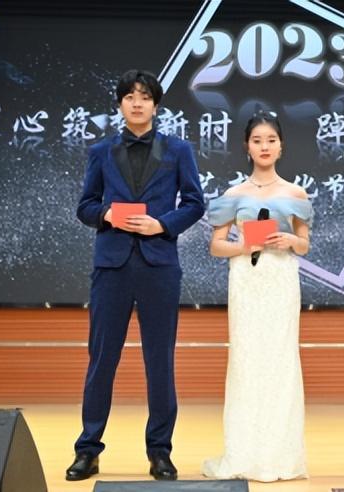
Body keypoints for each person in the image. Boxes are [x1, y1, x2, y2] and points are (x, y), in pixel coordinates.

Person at [66, 70, 205, 481]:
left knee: (159, 361)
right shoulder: (101, 151)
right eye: (129, 96)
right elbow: (85, 206)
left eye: (144, 96)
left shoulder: (178, 149)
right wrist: (107, 215)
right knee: (101, 359)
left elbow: (194, 202)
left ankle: (160, 451)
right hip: (111, 266)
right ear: (120, 104)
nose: (137, 103)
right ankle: (87, 450)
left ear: (156, 105)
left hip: (159, 266)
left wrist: (162, 224)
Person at [201, 112, 312, 482]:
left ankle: (280, 456)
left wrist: (290, 239)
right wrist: (243, 245)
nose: (265, 147)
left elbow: (305, 244)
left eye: (271, 140)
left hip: (281, 278)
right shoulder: (233, 195)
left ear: (281, 146)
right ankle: (244, 453)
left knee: (281, 360)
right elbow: (216, 246)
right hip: (246, 279)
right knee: (246, 360)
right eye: (257, 140)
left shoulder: (296, 193)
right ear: (247, 147)